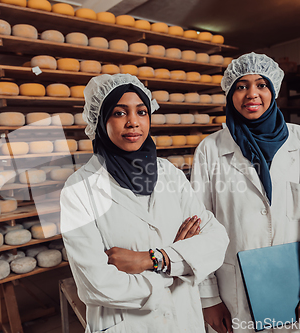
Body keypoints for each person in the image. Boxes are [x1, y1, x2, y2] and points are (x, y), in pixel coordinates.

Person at [191, 52, 300, 333]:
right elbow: (199, 225)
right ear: (230, 93)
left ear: (273, 90)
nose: (252, 94)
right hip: (234, 292)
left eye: (261, 85)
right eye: (241, 86)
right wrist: (209, 297)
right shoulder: (211, 149)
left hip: (298, 290)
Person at [60, 74, 229, 333]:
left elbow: (216, 240)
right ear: (100, 119)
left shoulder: (169, 174)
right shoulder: (78, 188)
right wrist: (179, 268)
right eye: (119, 113)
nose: (133, 122)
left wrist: (154, 259)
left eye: (141, 112)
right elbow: (96, 284)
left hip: (184, 320)